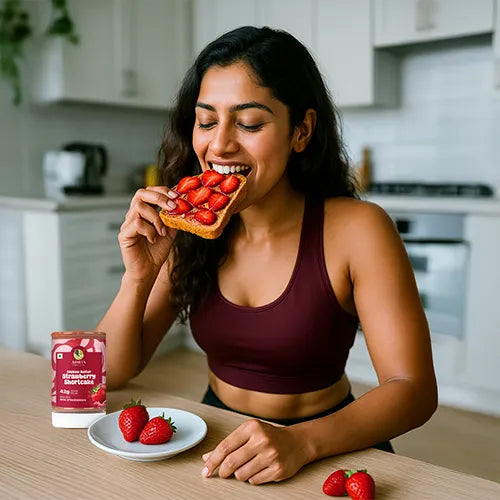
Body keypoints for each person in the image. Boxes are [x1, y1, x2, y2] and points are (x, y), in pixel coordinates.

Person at [100, 26, 437, 485]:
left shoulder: (358, 229)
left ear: (301, 131)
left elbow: (413, 391)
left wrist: (302, 442)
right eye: (206, 120)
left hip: (328, 445)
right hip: (220, 442)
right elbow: (108, 374)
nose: (219, 145)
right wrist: (137, 277)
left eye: (249, 123)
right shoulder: (189, 228)